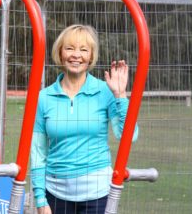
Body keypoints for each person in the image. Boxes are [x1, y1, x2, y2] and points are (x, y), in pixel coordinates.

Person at [30, 24, 138, 214]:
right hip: (55, 194)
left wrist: (120, 96)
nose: (76, 55)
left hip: (97, 195)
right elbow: (37, 153)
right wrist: (40, 199)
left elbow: (129, 136)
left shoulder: (105, 91)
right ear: (60, 53)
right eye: (70, 48)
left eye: (83, 50)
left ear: (91, 56)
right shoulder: (43, 98)